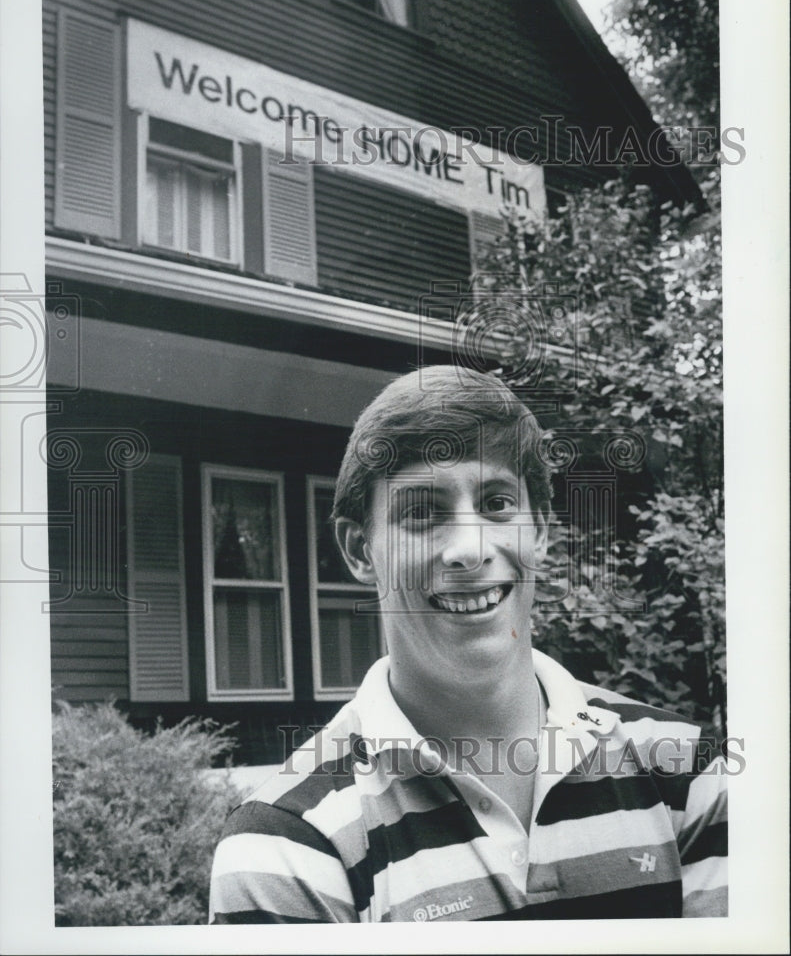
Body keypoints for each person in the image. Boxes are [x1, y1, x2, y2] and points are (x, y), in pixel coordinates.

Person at [209, 365, 727, 922]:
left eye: (498, 503)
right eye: (422, 513)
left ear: (540, 530)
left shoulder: (693, 778)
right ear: (360, 550)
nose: (469, 549)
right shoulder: (286, 848)